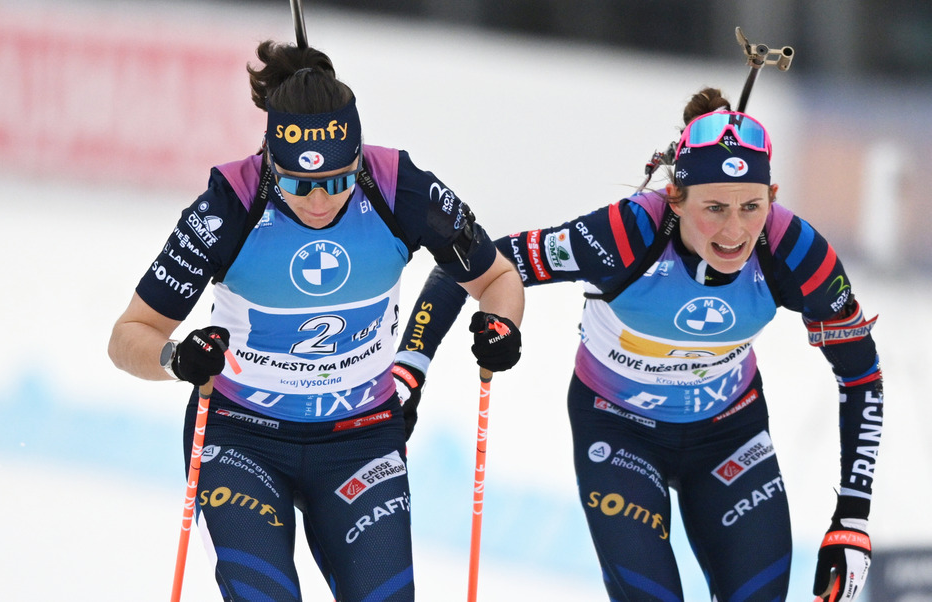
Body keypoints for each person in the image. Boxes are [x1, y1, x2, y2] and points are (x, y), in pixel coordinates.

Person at [391, 88, 882, 601]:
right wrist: (410, 368)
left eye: (751, 206)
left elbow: (862, 374)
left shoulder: (795, 250)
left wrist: (852, 515)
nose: (735, 231)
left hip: (729, 435)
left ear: (772, 197)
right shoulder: (628, 232)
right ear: (676, 198)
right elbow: (470, 262)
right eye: (714, 207)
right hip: (620, 429)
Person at [108, 39, 523, 602]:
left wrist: (502, 328)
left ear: (357, 156)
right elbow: (130, 334)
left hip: (360, 437)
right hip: (242, 437)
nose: (321, 200)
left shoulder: (399, 187)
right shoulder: (230, 204)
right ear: (270, 158)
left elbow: (496, 278)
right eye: (300, 184)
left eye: (337, 179)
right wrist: (177, 358)